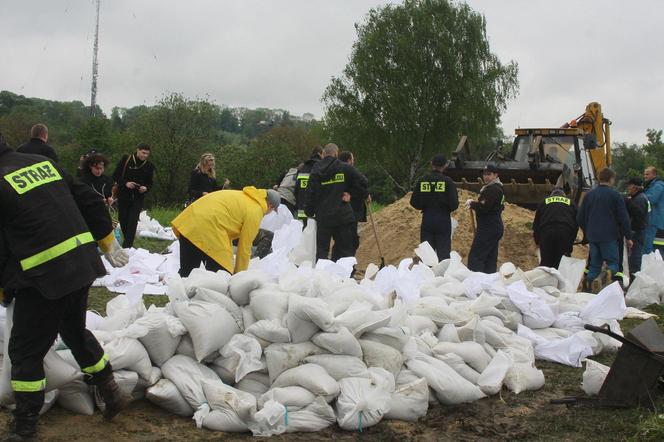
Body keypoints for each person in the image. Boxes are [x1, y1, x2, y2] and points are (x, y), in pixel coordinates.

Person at [0, 131, 129, 440]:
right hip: (82, 265)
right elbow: (89, 199)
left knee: (25, 351)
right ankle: (110, 390)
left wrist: (5, 287)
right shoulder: (42, 162)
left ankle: (25, 425)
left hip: (45, 277)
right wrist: (107, 240)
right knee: (73, 331)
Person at [172, 187, 280, 277]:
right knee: (222, 276)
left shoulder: (244, 197)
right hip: (209, 228)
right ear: (270, 206)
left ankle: (177, 297)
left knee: (187, 274)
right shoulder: (256, 210)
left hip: (189, 222)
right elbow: (245, 246)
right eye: (272, 211)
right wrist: (239, 276)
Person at [304, 143, 368, 261]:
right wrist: (351, 194)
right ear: (336, 153)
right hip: (342, 217)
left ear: (323, 154)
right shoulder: (344, 168)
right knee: (345, 252)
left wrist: (309, 211)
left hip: (323, 217)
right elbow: (363, 182)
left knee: (322, 252)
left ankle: (321, 277)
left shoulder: (315, 170)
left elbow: (310, 193)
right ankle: (343, 277)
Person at [577, 168, 633, 290]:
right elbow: (624, 218)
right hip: (609, 235)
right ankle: (603, 276)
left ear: (599, 178)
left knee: (594, 265)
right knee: (613, 264)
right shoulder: (615, 195)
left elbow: (580, 217)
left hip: (593, 236)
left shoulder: (589, 195)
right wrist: (628, 237)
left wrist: (587, 231)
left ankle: (587, 289)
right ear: (611, 179)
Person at [410, 154, 459, 262]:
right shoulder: (448, 182)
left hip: (427, 218)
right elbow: (455, 204)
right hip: (443, 219)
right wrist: (445, 208)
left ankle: (427, 275)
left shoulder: (422, 180)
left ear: (432, 164)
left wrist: (424, 206)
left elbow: (413, 202)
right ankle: (442, 277)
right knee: (443, 253)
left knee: (427, 252)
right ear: (445, 165)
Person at [112, 143, 155, 248]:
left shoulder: (149, 166)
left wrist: (145, 188)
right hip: (124, 195)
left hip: (138, 197)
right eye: (143, 153)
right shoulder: (126, 159)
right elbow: (115, 175)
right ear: (137, 150)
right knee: (123, 219)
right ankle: (127, 240)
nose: (145, 155)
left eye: (147, 154)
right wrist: (126, 183)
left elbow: (150, 182)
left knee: (133, 220)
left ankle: (127, 245)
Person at [466, 164, 505, 273]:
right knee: (490, 258)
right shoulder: (498, 188)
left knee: (476, 257)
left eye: (489, 174)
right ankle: (489, 280)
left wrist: (472, 204)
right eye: (484, 174)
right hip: (494, 227)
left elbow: (484, 207)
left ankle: (474, 281)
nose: (486, 177)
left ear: (495, 175)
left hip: (488, 228)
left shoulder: (492, 190)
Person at [532, 188, 578, 268]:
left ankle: (546, 278)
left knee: (546, 262)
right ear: (564, 195)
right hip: (565, 233)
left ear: (552, 195)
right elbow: (576, 225)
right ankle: (559, 279)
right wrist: (571, 242)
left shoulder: (544, 202)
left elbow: (536, 224)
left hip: (547, 233)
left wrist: (537, 241)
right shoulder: (571, 203)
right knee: (561, 262)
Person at [339, 150, 370, 256]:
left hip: (337, 210)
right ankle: (349, 265)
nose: (353, 161)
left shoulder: (335, 171)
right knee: (351, 240)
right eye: (353, 159)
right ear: (349, 161)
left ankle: (340, 262)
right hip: (352, 210)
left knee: (341, 239)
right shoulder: (351, 172)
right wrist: (366, 194)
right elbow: (362, 183)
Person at [624, 177, 650, 274]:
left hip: (637, 232)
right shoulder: (640, 197)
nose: (628, 188)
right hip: (640, 230)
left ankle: (634, 274)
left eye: (629, 186)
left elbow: (637, 218)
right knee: (636, 253)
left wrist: (631, 232)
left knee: (635, 254)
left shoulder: (639, 200)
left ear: (635, 187)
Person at [294, 146, 323, 225]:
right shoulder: (321, 166)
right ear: (319, 154)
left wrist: (298, 204)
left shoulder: (302, 167)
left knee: (303, 235)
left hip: (301, 211)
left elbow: (296, 190)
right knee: (314, 236)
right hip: (316, 212)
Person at [643, 166, 664, 254]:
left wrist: (640, 195)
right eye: (644, 174)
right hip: (653, 219)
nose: (645, 176)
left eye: (647, 174)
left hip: (656, 220)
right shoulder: (651, 185)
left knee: (653, 246)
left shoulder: (658, 185)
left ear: (654, 174)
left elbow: (653, 199)